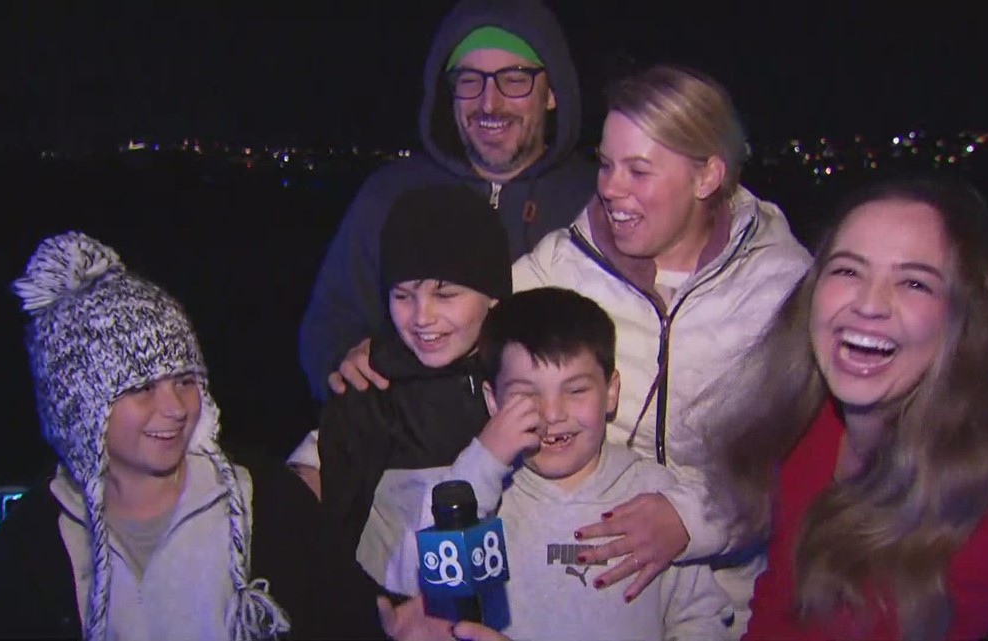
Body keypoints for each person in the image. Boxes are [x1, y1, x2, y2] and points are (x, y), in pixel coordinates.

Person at [333, 64, 813, 637]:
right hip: (548, 549)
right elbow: (455, 323)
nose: (610, 188)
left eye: (639, 170)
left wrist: (688, 521)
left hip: (733, 600)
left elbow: (809, 469)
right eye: (606, 164)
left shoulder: (787, 289)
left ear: (707, 175)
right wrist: (367, 377)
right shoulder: (557, 269)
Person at [0, 232, 387, 640]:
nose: (175, 408)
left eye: (185, 381)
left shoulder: (272, 504)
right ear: (79, 408)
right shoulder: (28, 549)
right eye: (143, 387)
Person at [705, 177, 988, 640]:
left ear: (966, 317)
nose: (869, 304)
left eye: (915, 282)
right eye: (848, 271)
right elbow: (781, 609)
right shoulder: (811, 430)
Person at [383, 287, 733, 641]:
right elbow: (413, 587)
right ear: (493, 401)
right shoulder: (479, 494)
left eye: (576, 390)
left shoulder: (654, 495)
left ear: (611, 392)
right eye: (525, 393)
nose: (552, 414)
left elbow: (699, 620)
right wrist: (484, 460)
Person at [298, 0, 595, 399]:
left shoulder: (594, 199)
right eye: (469, 79)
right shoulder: (391, 194)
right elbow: (330, 320)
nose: (489, 103)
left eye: (515, 78)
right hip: (412, 446)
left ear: (552, 93)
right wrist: (342, 362)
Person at [312, 184, 513, 586]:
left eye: (446, 294)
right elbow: (329, 539)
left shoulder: (519, 380)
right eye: (403, 296)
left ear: (493, 296)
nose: (422, 317)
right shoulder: (371, 392)